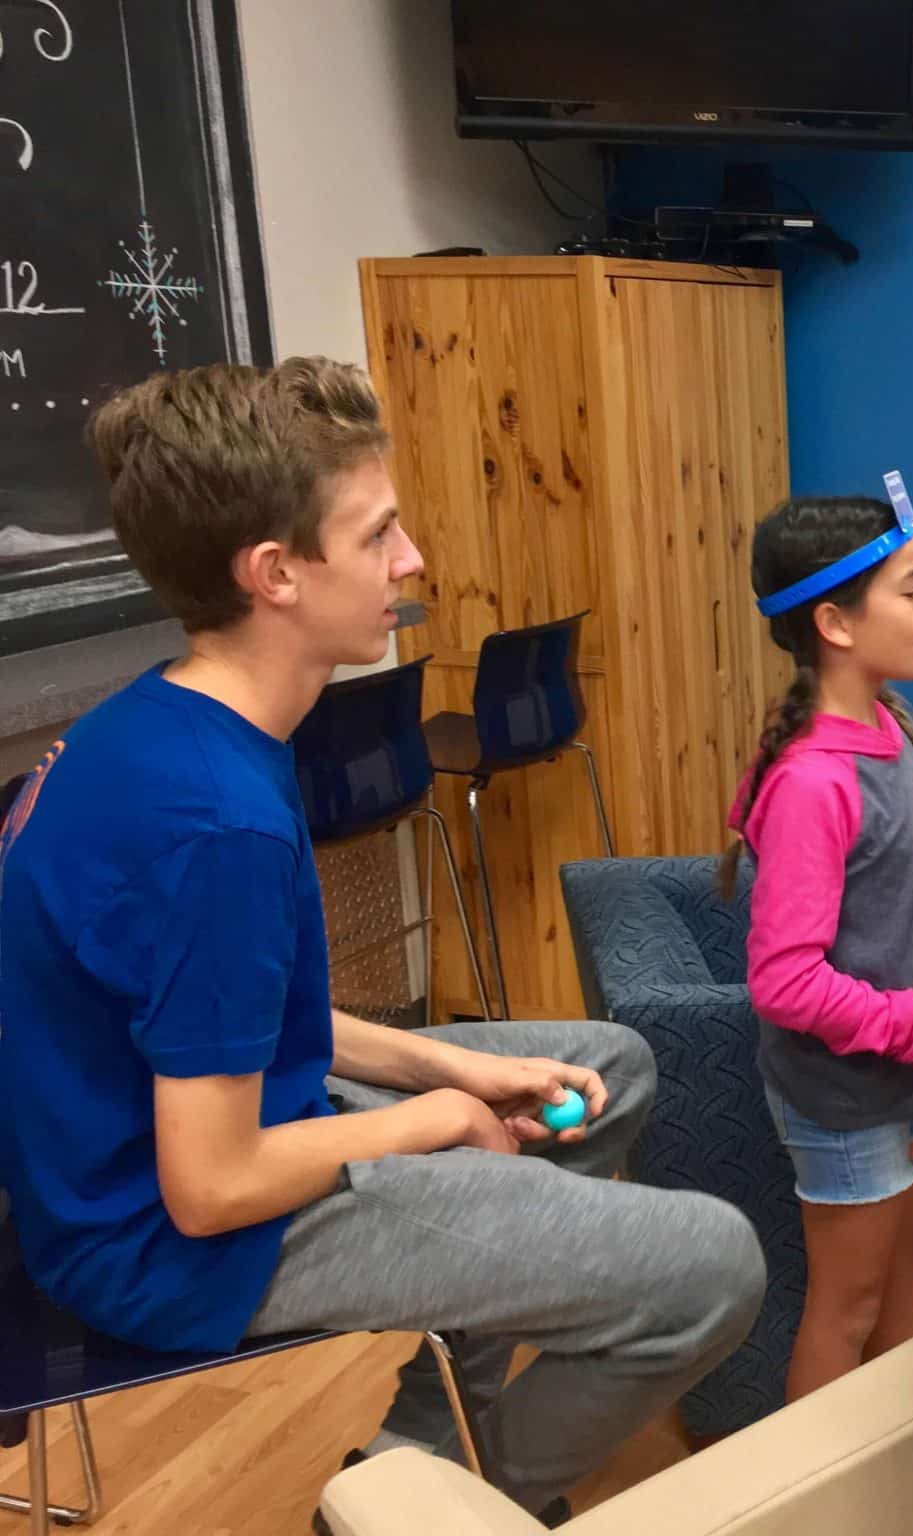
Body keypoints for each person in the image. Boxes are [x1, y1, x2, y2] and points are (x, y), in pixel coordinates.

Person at [0, 359, 765, 1523]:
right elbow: (210, 1187)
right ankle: (441, 1505)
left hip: (180, 1144)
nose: (410, 560)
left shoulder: (164, 721)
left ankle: (420, 1433)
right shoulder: (215, 823)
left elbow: (237, 1018)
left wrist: (453, 1064)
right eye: (377, 534)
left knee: (609, 1067)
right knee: (714, 1268)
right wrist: (436, 1118)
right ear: (276, 574)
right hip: (171, 1243)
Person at [723, 488, 913, 1400]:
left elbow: (881, 862)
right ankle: (817, 1478)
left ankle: (882, 1460)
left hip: (906, 1074)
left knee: (902, 1283)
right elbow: (785, 983)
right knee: (846, 1310)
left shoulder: (892, 721)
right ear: (836, 624)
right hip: (848, 1098)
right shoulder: (812, 782)